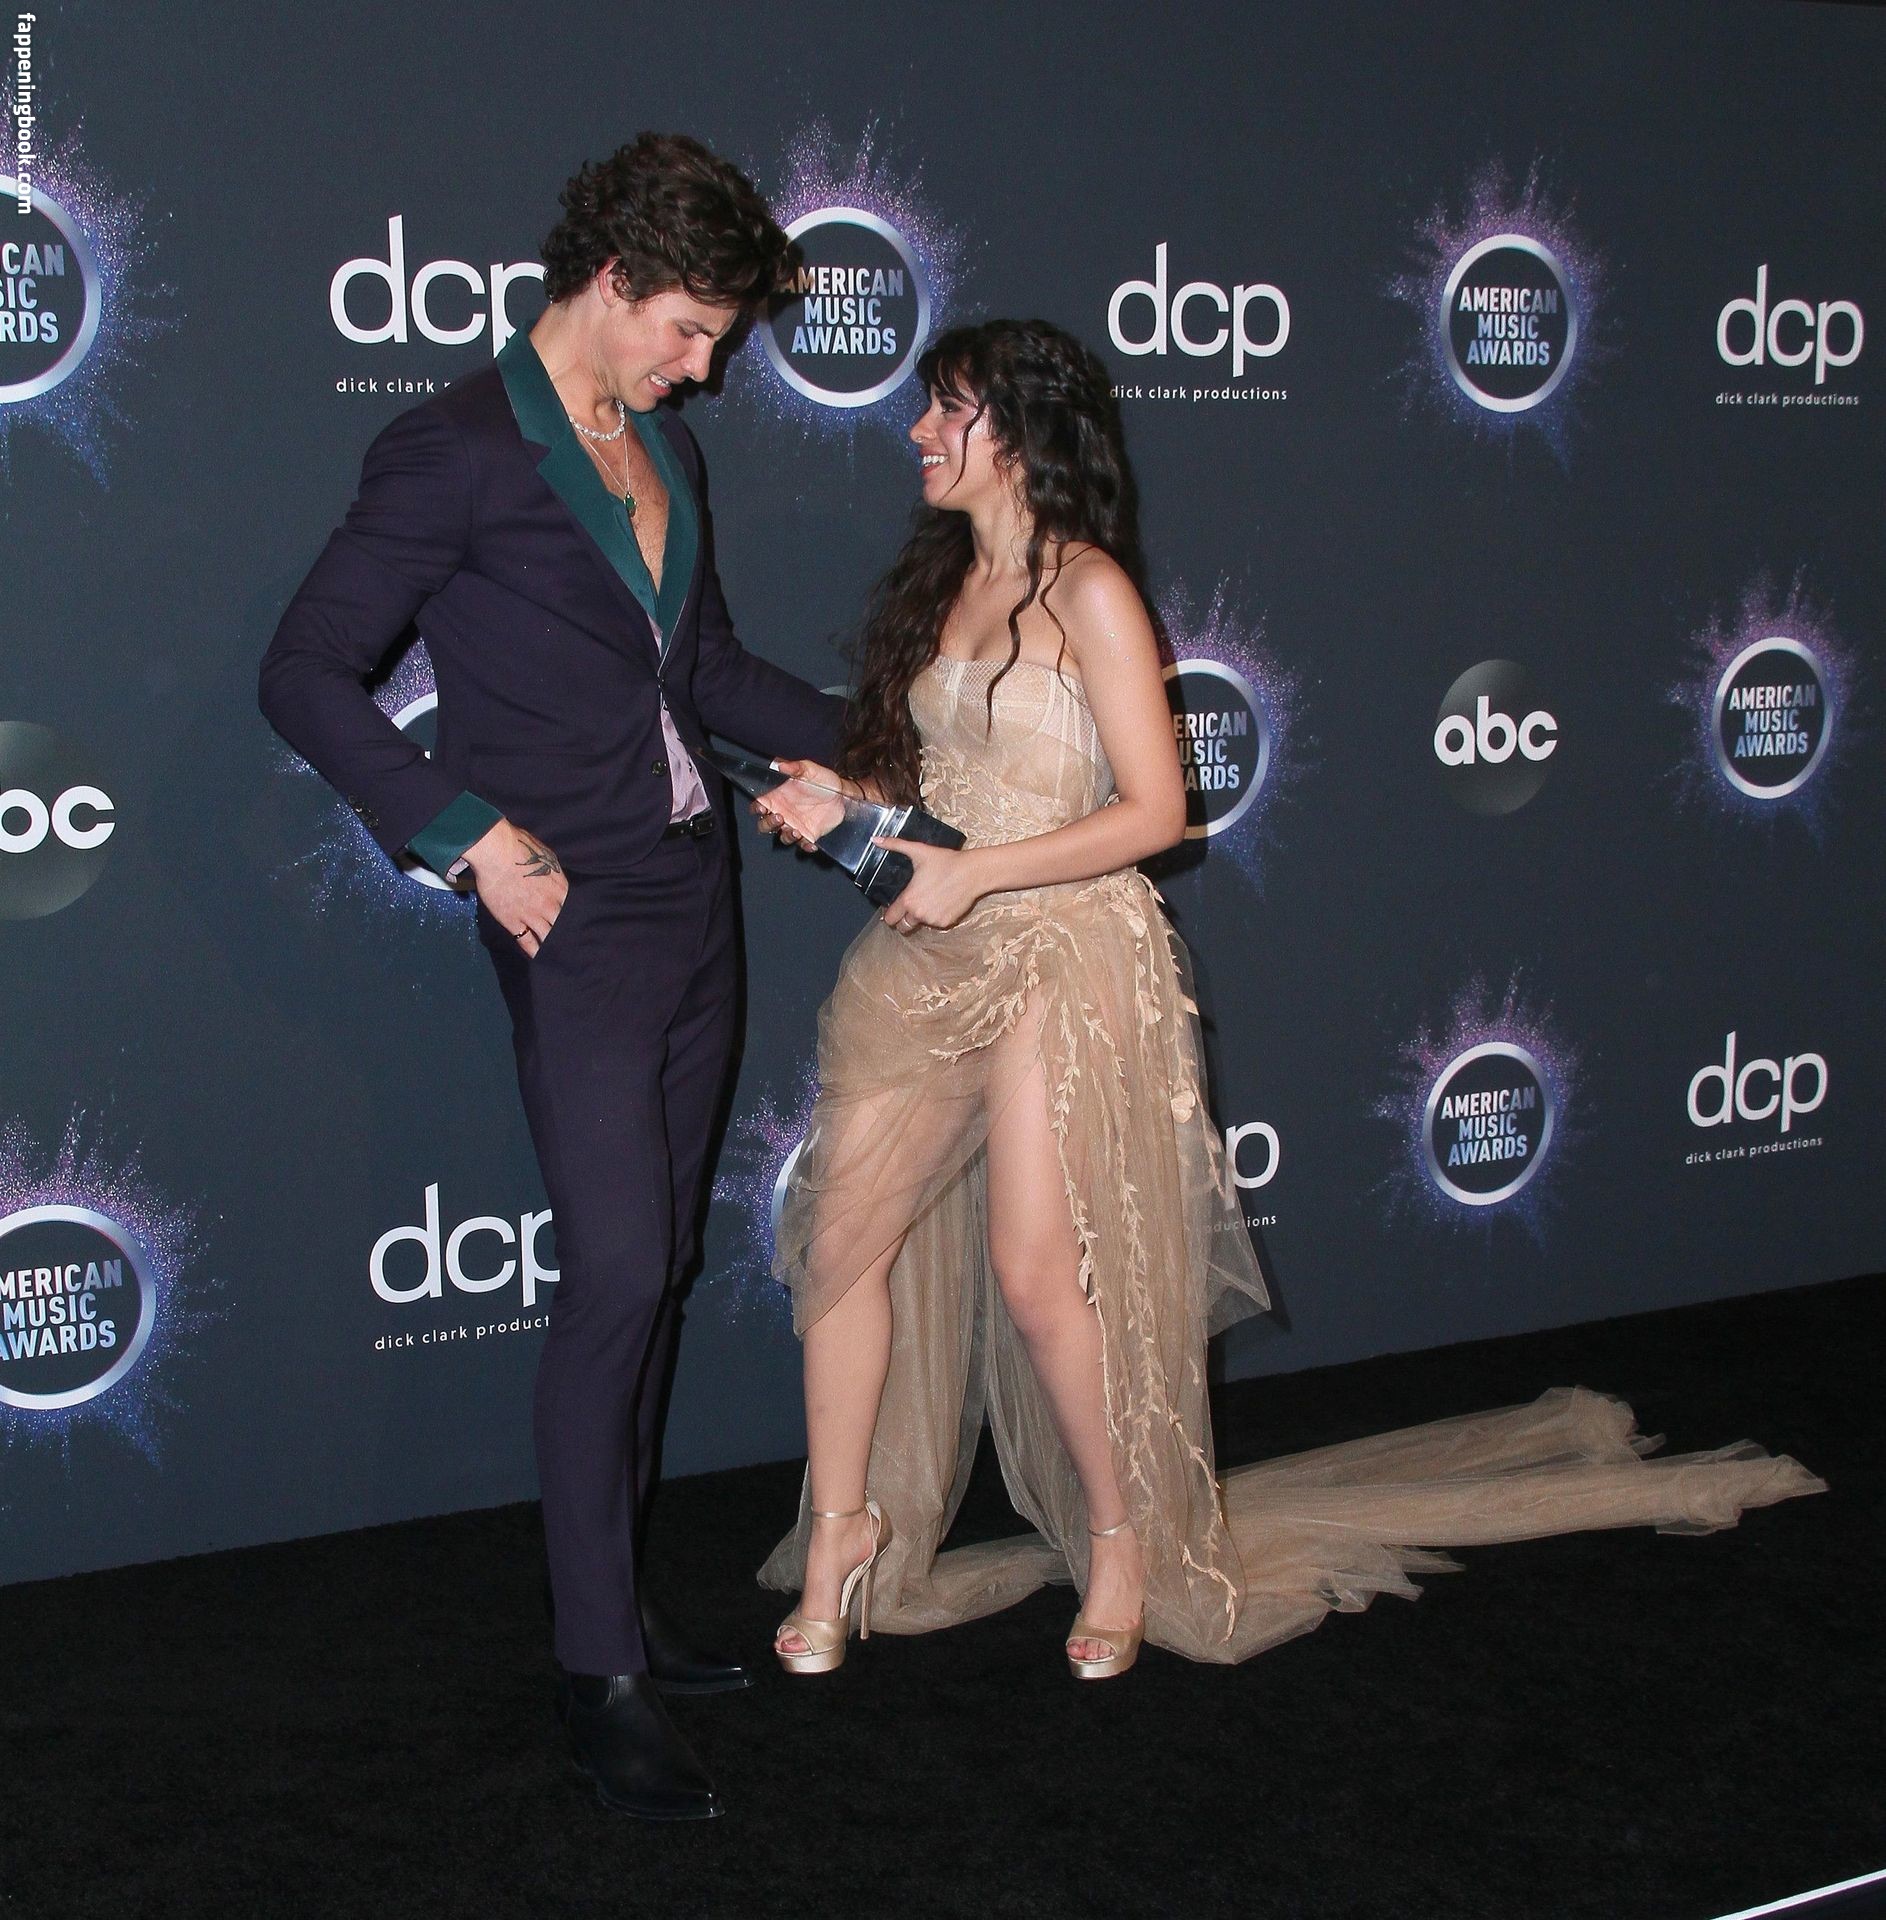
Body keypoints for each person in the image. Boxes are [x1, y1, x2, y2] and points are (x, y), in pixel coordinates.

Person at [754, 318, 1823, 1679]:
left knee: (1035, 1275)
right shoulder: (942, 582)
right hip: (927, 959)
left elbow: (1157, 813)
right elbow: (943, 791)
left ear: (1017, 431)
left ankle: (1123, 1537)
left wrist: (981, 875)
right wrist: (847, 802)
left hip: (1064, 954)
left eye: (946, 407)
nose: (915, 430)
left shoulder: (1090, 590)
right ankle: (843, 1534)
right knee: (840, 1247)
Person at [260, 133, 841, 1818]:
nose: (703, 368)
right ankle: (597, 1677)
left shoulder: (662, 445)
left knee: (656, 1277)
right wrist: (459, 833)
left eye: (716, 341)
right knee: (616, 1277)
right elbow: (305, 673)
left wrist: (888, 734)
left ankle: (624, 1612)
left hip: (697, 898)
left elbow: (702, 670)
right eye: (688, 330)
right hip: (572, 919)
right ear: (608, 279)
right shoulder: (455, 448)